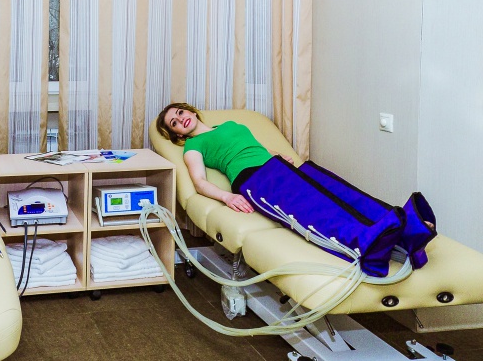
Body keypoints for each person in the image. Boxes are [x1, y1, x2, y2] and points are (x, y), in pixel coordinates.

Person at [156, 103, 437, 276]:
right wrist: (227, 196)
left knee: (336, 189)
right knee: (314, 208)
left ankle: (405, 228)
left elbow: (253, 147)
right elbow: (199, 182)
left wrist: (276, 155)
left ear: (190, 110)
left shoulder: (229, 124)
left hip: (276, 166)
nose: (181, 120)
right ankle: (367, 243)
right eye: (175, 123)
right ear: (177, 134)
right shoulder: (193, 146)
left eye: (180, 113)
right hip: (252, 179)